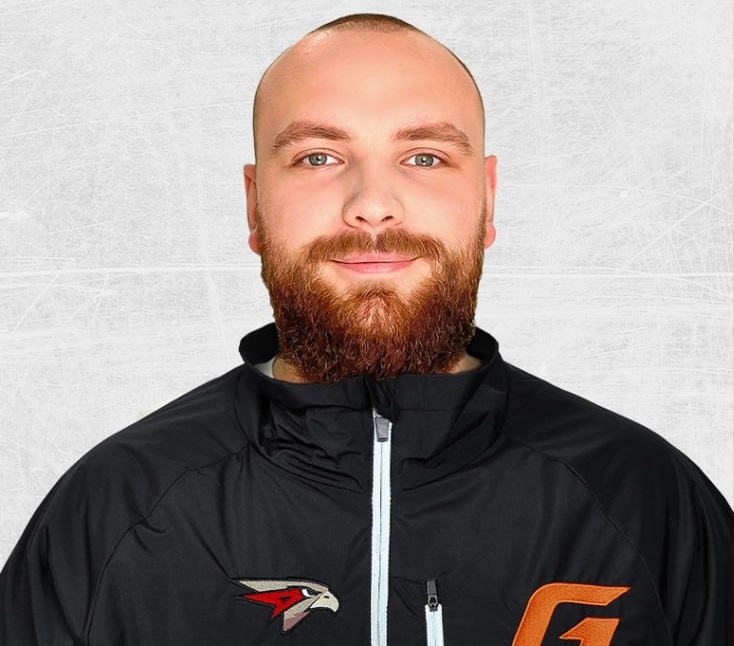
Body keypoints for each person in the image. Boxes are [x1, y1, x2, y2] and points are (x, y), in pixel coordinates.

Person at [1, 12, 731, 646]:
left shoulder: (643, 498)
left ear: (487, 199)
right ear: (254, 206)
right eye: (318, 157)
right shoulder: (116, 510)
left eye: (424, 157)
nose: (372, 204)